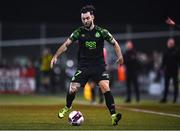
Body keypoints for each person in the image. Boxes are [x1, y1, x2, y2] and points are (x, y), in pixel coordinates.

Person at [50, 5, 124, 125]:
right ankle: (67, 106)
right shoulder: (79, 32)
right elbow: (66, 44)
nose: (85, 21)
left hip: (98, 66)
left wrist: (120, 56)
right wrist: (55, 56)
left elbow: (114, 43)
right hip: (83, 66)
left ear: (93, 17)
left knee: (105, 86)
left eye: (87, 18)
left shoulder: (102, 32)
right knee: (73, 87)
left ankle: (114, 115)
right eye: (83, 19)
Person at [160, 38, 179, 103]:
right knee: (166, 85)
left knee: (175, 85)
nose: (170, 44)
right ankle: (164, 98)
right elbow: (163, 61)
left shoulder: (176, 51)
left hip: (174, 70)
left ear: (173, 44)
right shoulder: (166, 51)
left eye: (171, 43)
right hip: (167, 70)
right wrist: (161, 68)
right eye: (169, 43)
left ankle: (175, 99)